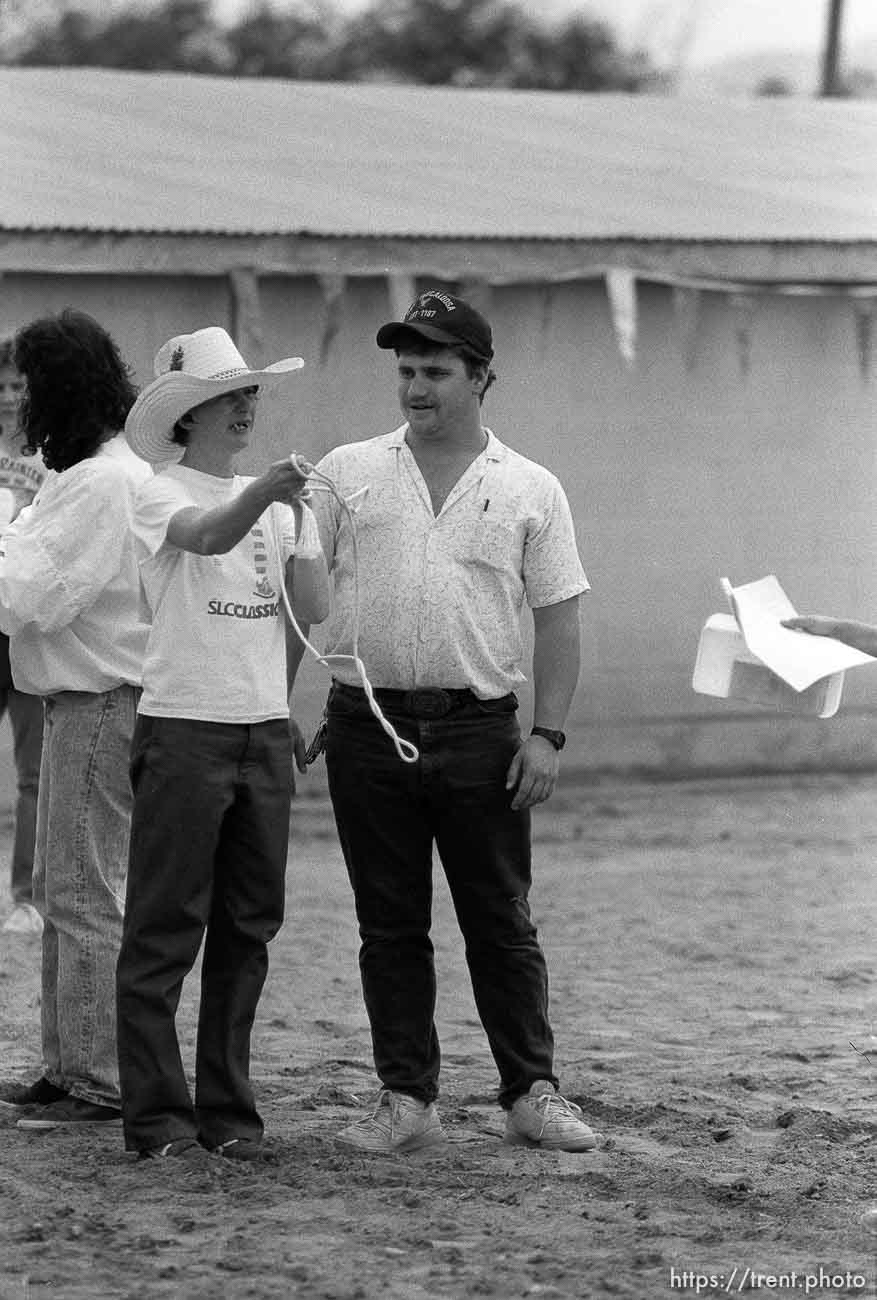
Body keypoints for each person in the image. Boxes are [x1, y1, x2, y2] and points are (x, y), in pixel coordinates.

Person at [299, 289, 597, 1154]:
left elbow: (560, 617)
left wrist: (546, 735)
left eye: (435, 370)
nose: (415, 386)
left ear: (481, 378)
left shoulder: (530, 487)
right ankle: (405, 1100)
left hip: (480, 732)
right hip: (364, 725)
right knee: (387, 924)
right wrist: (279, 706)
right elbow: (294, 586)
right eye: (405, 370)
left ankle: (531, 1093)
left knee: (500, 919)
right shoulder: (346, 472)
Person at [116, 326, 330, 1163]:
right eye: (232, 396)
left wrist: (303, 521)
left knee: (249, 925)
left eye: (250, 394)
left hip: (256, 729)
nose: (247, 407)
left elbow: (308, 609)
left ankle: (228, 1112)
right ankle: (159, 1118)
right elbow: (205, 536)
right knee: (167, 927)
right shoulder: (156, 491)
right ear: (191, 412)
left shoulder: (266, 503)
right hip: (183, 727)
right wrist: (271, 496)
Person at [0, 308, 150, 1129]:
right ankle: (67, 1065)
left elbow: (27, 594)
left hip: (99, 701)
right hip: (80, 703)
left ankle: (95, 1075)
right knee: (66, 888)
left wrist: (8, 520)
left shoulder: (100, 482)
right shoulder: (92, 474)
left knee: (84, 891)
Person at [0, 338, 47, 935]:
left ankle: (27, 898)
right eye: (1, 388)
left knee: (35, 771)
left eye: (18, 387)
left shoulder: (51, 454)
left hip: (29, 625)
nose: (9, 398)